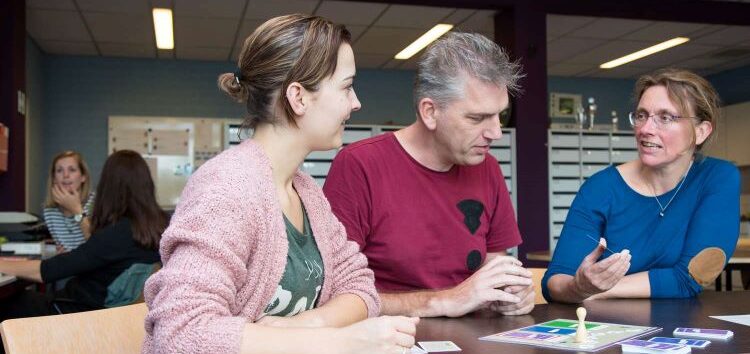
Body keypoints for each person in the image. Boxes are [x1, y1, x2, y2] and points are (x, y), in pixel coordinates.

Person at [143, 14, 418, 354]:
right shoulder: (227, 188)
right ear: (298, 98)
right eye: (346, 87)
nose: (356, 102)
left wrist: (306, 326)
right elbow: (181, 334)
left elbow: (360, 287)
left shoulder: (305, 192)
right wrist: (339, 342)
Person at [323, 32, 535, 318]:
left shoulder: (489, 168)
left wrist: (511, 294)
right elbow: (334, 292)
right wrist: (444, 301)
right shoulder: (360, 165)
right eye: (477, 118)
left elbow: (494, 266)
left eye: (500, 115)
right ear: (430, 112)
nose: (495, 132)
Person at [543, 68, 740, 303]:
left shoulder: (717, 177)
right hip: (606, 328)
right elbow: (555, 281)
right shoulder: (600, 188)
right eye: (641, 115)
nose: (646, 129)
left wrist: (594, 290)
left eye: (665, 118)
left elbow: (691, 277)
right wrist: (577, 287)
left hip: (678, 331)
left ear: (701, 131)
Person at [0, 150, 167, 319]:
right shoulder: (159, 226)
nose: (66, 176)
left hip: (78, 313)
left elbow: (49, 270)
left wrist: (2, 264)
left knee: (12, 302)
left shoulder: (117, 232)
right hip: (102, 310)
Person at [43, 150, 95, 251]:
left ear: (83, 177)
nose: (65, 175)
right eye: (59, 170)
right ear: (54, 178)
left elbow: (98, 246)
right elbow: (64, 249)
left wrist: (76, 210)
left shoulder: (96, 203)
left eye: (72, 170)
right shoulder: (50, 211)